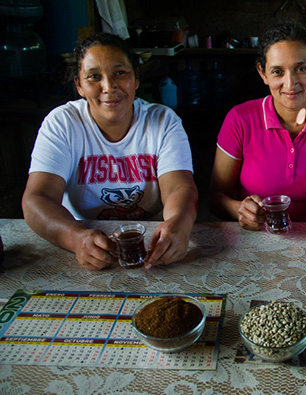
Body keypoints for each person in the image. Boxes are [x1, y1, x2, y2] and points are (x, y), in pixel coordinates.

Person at [21, 32, 199, 270]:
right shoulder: (62, 124)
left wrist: (179, 223)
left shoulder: (163, 121)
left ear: (136, 79)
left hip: (152, 245)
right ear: (79, 86)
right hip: (84, 242)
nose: (109, 87)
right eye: (94, 76)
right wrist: (76, 238)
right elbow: (36, 200)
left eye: (120, 73)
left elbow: (179, 186)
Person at [208, 23, 306, 230]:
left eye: (301, 69)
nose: (290, 83)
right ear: (263, 73)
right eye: (277, 71)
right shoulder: (239, 120)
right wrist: (239, 209)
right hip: (254, 238)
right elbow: (215, 199)